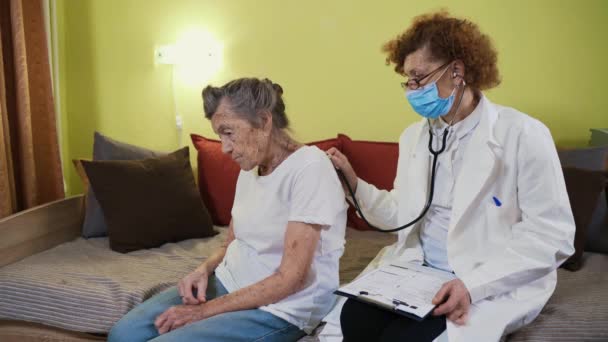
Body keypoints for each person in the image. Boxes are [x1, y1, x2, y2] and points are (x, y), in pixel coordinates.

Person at [326, 11, 575, 342]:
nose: (411, 91)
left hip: (482, 277)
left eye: (419, 78)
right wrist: (354, 185)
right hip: (417, 272)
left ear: (456, 72)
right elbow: (402, 212)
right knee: (354, 321)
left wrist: (472, 287)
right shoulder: (414, 137)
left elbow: (551, 236)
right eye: (407, 81)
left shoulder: (523, 135)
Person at [108, 78, 347, 342]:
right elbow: (233, 242)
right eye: (219, 136)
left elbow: (291, 279)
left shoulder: (310, 168)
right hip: (229, 282)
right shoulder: (250, 165)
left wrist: (201, 313)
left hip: (280, 308)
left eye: (228, 132)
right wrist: (203, 269)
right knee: (122, 335)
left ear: (264, 121)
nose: (224, 148)